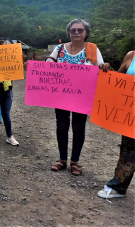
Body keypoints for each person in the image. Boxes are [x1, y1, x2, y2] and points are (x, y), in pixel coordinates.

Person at [46, 18, 104, 175]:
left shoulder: (92, 50)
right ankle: (62, 159)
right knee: (61, 126)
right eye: (73, 30)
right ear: (69, 33)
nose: (76, 32)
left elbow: (101, 70)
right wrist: (46, 63)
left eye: (80, 30)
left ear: (86, 33)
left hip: (82, 97)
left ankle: (75, 161)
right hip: (61, 96)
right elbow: (49, 62)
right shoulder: (59, 48)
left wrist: (105, 68)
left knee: (79, 127)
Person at [97, 51, 135, 200]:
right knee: (128, 151)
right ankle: (119, 186)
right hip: (131, 114)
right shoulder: (131, 55)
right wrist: (108, 70)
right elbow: (118, 82)